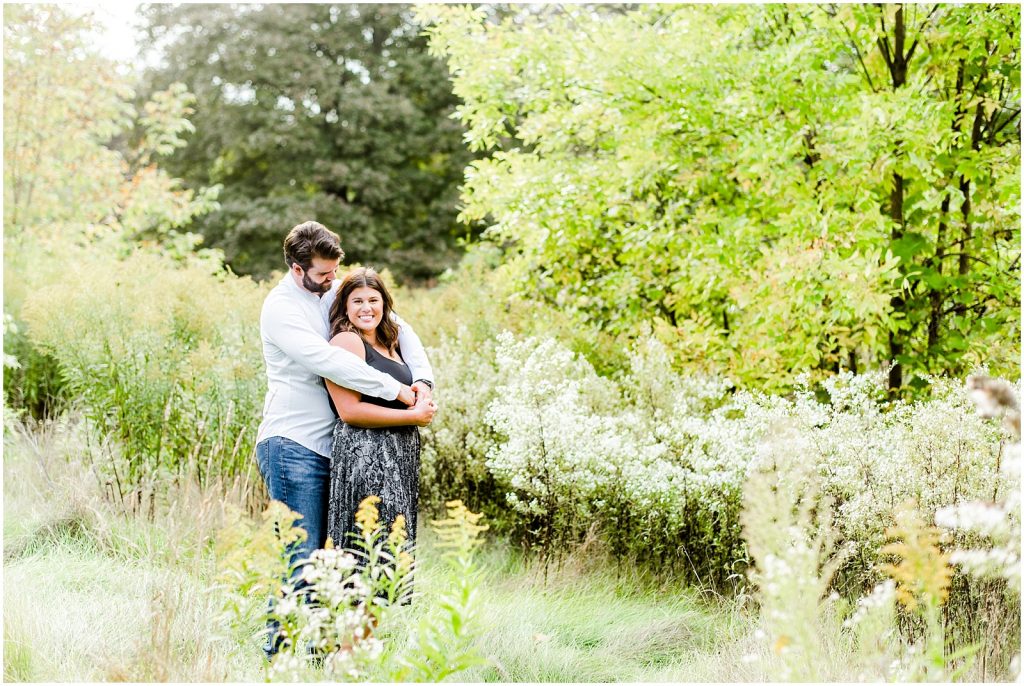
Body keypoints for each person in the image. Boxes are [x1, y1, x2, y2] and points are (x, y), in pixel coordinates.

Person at [255, 221, 434, 657]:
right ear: (298, 270)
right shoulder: (282, 309)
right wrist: (397, 392)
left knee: (333, 561)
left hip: (336, 448)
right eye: (323, 274)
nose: (333, 280)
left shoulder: (329, 288)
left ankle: (320, 661)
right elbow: (328, 360)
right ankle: (277, 662)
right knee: (301, 558)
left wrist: (423, 379)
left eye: (335, 272)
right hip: (293, 444)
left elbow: (398, 326)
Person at [323, 268, 436, 562]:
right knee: (370, 549)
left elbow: (416, 377)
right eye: (357, 301)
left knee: (394, 548)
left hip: (399, 455)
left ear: (384, 303)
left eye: (373, 299)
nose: (366, 308)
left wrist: (422, 392)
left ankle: (385, 611)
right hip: (366, 455)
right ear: (345, 307)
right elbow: (349, 411)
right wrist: (413, 417)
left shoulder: (390, 341)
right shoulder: (346, 342)